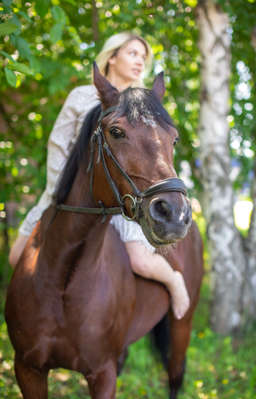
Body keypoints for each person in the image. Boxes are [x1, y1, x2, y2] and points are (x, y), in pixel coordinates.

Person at [8, 32, 190, 319]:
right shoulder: (81, 96)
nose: (140, 61)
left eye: (144, 57)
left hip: (124, 194)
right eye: (132, 53)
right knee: (17, 256)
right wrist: (59, 189)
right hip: (69, 190)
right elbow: (58, 142)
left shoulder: (141, 103)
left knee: (140, 259)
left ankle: (174, 280)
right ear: (112, 56)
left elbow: (152, 150)